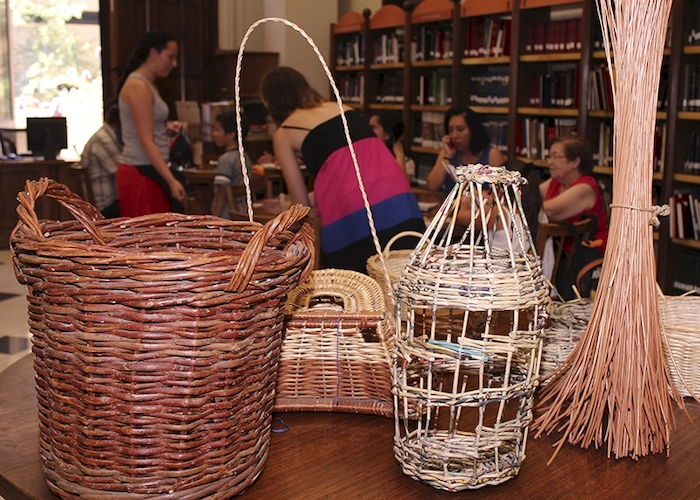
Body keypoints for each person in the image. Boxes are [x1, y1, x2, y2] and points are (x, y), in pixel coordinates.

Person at [259, 66, 425, 273]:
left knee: (357, 287)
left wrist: (288, 207)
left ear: (270, 102)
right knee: (407, 275)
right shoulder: (341, 107)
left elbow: (300, 205)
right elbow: (350, 176)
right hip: (397, 195)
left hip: (354, 213)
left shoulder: (284, 133)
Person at [115, 31, 186, 217]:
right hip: (140, 171)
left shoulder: (148, 84)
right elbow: (147, 140)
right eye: (170, 57)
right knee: (147, 240)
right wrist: (171, 180)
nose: (174, 64)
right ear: (153, 53)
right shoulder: (138, 86)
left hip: (150, 170)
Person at [540, 134, 609, 253]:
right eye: (549, 156)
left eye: (555, 156)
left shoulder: (585, 188)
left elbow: (549, 210)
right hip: (561, 254)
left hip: (585, 257)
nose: (549, 162)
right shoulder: (556, 182)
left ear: (575, 162)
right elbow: (529, 195)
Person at [426, 106, 506, 195]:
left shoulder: (492, 154)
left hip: (481, 207)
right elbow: (432, 186)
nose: (454, 136)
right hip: (454, 207)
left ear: (473, 130)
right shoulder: (447, 153)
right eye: (450, 130)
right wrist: (447, 157)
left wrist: (475, 193)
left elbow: (502, 193)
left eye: (460, 129)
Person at [80, 99, 122, 218]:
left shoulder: (105, 135)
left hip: (107, 200)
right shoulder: (104, 140)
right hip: (105, 204)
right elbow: (119, 171)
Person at [210, 110, 252, 219]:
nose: (214, 134)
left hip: (227, 215)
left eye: (218, 130)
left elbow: (222, 192)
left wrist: (214, 218)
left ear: (231, 134)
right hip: (244, 212)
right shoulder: (244, 156)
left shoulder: (225, 159)